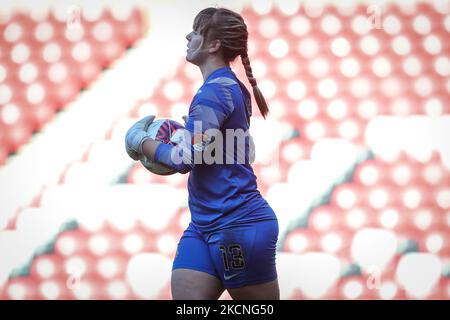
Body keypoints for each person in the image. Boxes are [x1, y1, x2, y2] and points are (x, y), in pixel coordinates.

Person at [125, 7, 279, 300]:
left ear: (213, 44)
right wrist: (189, 135)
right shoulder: (228, 87)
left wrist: (139, 141)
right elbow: (218, 149)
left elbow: (184, 159)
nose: (188, 36)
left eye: (196, 31)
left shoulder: (214, 92)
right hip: (205, 224)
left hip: (238, 223)